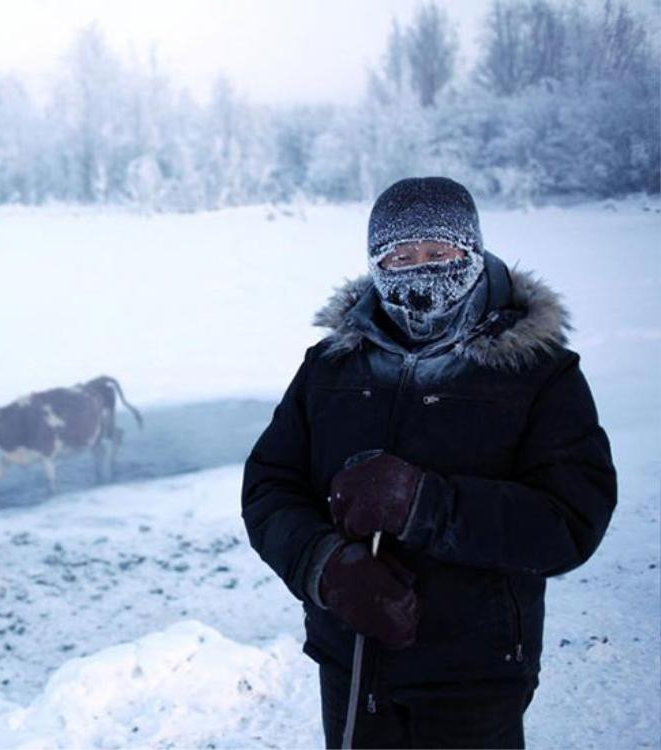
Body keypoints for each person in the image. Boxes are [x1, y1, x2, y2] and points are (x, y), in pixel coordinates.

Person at [241, 177, 616, 749]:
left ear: (473, 252)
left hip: (475, 675)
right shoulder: (330, 368)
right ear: (376, 264)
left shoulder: (539, 372)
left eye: (440, 253)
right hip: (353, 663)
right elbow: (269, 487)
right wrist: (326, 568)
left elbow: (570, 520)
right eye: (401, 256)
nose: (421, 271)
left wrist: (423, 504)